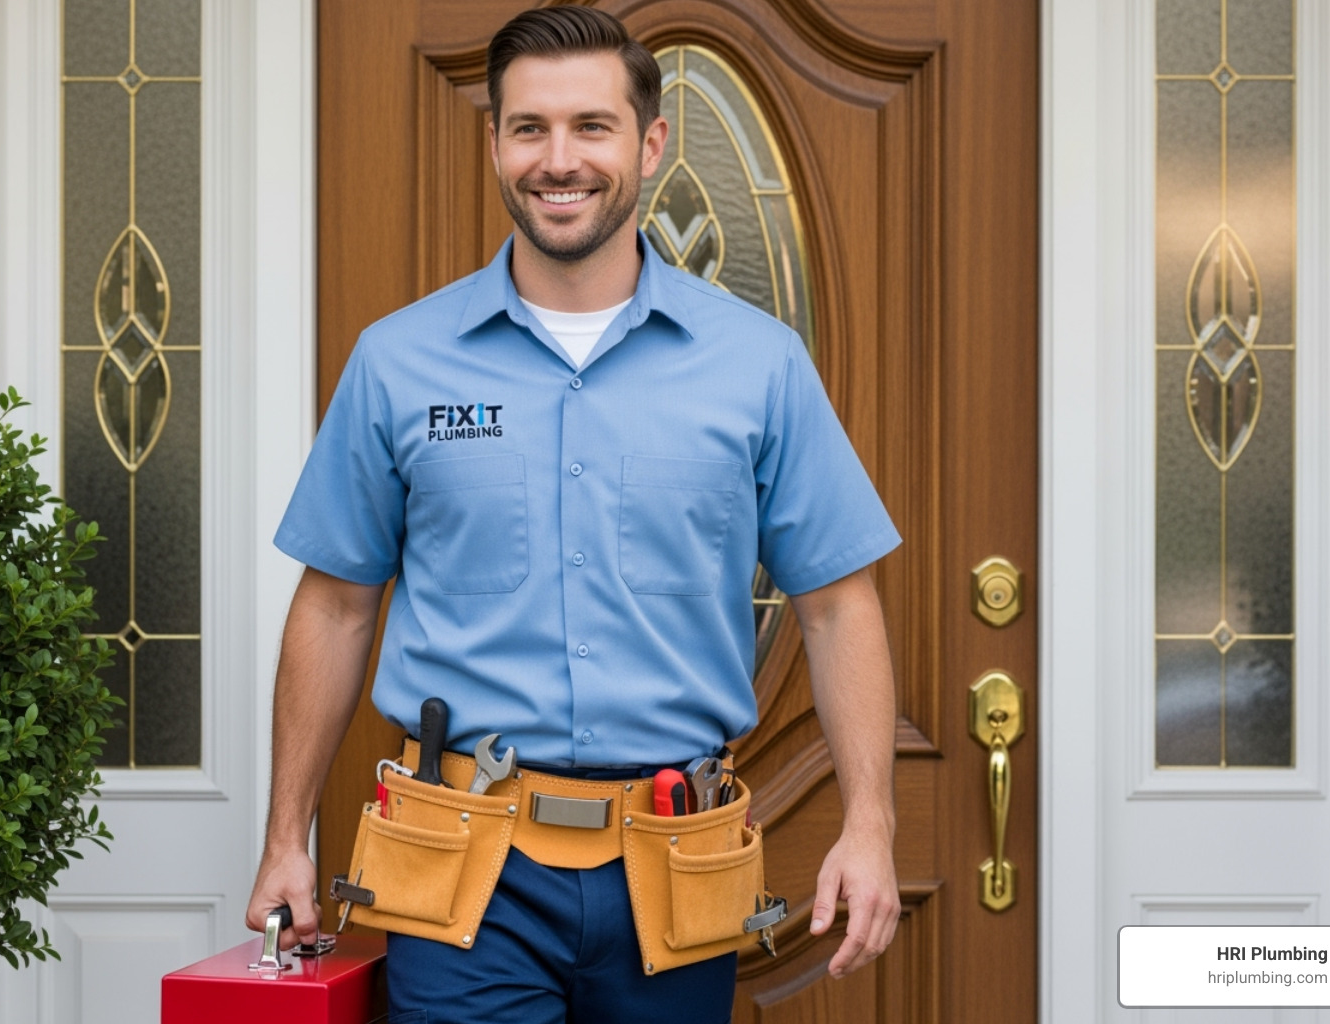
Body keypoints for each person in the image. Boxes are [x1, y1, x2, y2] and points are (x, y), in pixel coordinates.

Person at [245, 6, 902, 1021]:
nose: (560, 160)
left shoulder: (759, 365)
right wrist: (285, 834)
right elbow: (335, 606)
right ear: (495, 143)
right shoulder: (398, 362)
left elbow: (836, 604)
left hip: (675, 863)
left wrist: (871, 824)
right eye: (530, 128)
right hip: (460, 868)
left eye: (592, 126)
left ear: (651, 144)